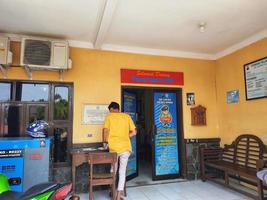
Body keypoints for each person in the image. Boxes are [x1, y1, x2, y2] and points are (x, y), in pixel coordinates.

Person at [103, 102, 136, 200]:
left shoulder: (109, 117)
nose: (110, 112)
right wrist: (126, 137)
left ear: (112, 109)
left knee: (113, 170)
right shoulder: (127, 117)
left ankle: (112, 191)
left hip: (113, 149)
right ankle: (118, 196)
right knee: (122, 172)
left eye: (110, 110)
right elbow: (134, 132)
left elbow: (105, 131)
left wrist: (105, 143)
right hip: (125, 148)